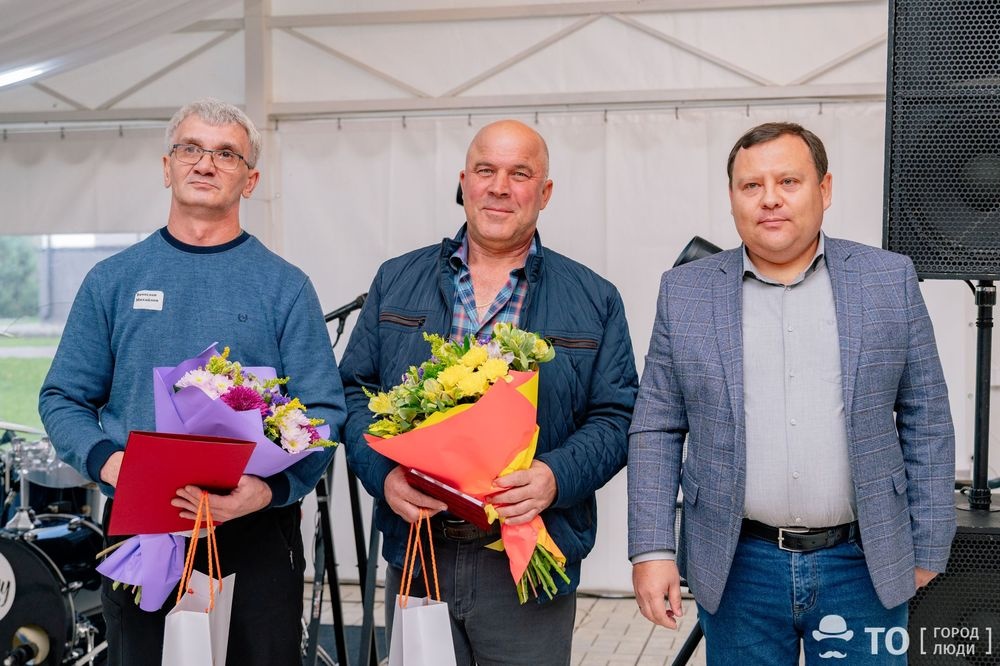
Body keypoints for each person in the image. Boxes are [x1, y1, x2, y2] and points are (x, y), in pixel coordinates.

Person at [627, 122, 956, 665]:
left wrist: (928, 542)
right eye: (751, 185)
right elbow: (656, 426)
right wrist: (652, 549)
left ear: (824, 189)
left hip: (865, 564)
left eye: (788, 181)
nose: (770, 199)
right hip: (738, 568)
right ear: (731, 196)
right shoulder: (686, 291)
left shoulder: (887, 279)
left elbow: (927, 416)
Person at [38, 98, 346, 666]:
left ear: (250, 180)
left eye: (227, 154)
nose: (206, 163)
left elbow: (324, 412)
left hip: (255, 533)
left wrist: (269, 491)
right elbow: (62, 397)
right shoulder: (112, 280)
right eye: (191, 149)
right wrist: (111, 464)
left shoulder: (285, 287)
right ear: (167, 166)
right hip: (143, 532)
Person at [339, 119, 637, 665]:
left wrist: (555, 476)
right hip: (419, 552)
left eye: (519, 174)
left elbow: (617, 416)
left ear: (545, 192)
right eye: (485, 170)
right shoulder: (395, 280)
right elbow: (354, 391)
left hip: (529, 555)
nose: (499, 187)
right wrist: (384, 475)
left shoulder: (594, 298)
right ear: (464, 182)